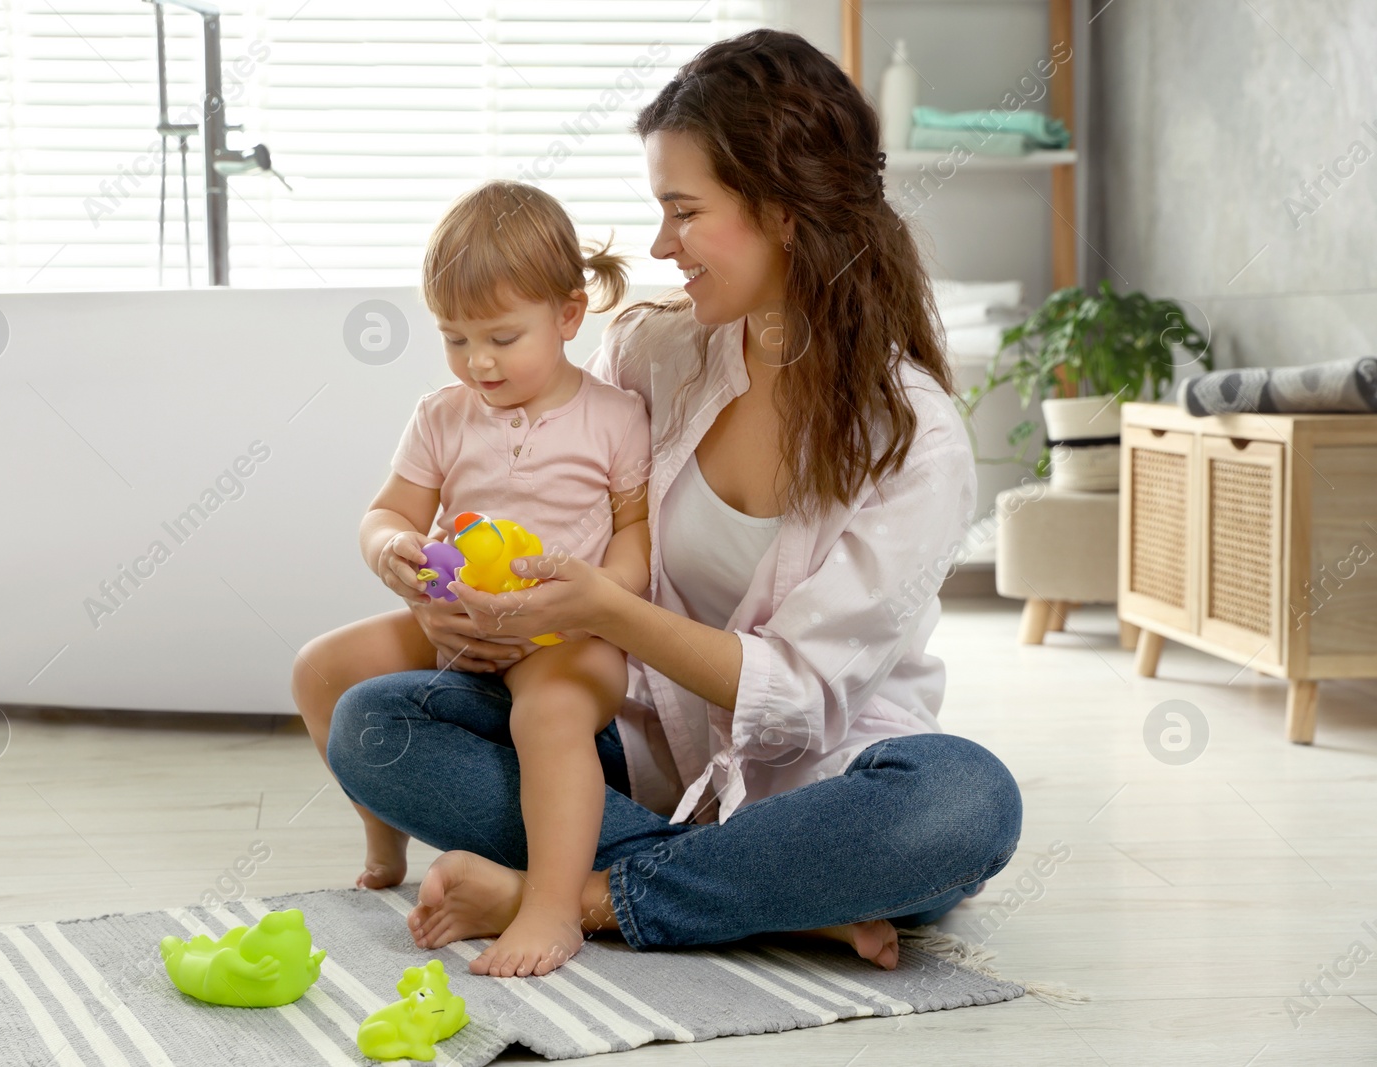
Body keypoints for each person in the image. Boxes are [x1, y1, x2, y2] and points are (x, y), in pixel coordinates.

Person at [303, 28, 1023, 977]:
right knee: (374, 720)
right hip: (637, 763)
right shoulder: (654, 354)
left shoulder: (913, 435)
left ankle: (577, 894)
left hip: (822, 790)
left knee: (965, 802)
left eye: (684, 211)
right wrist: (490, 608)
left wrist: (609, 610)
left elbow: (802, 699)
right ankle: (769, 897)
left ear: (786, 212)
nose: (658, 245)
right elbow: (557, 504)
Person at [293, 180, 654, 978]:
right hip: (455, 623)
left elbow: (637, 539)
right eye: (455, 338)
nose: (477, 361)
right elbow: (387, 513)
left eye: (500, 336)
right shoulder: (442, 416)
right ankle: (383, 832)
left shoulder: (615, 416)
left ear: (568, 315)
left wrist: (598, 595)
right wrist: (392, 553)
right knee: (320, 669)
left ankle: (553, 906)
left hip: (566, 632)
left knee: (552, 714)